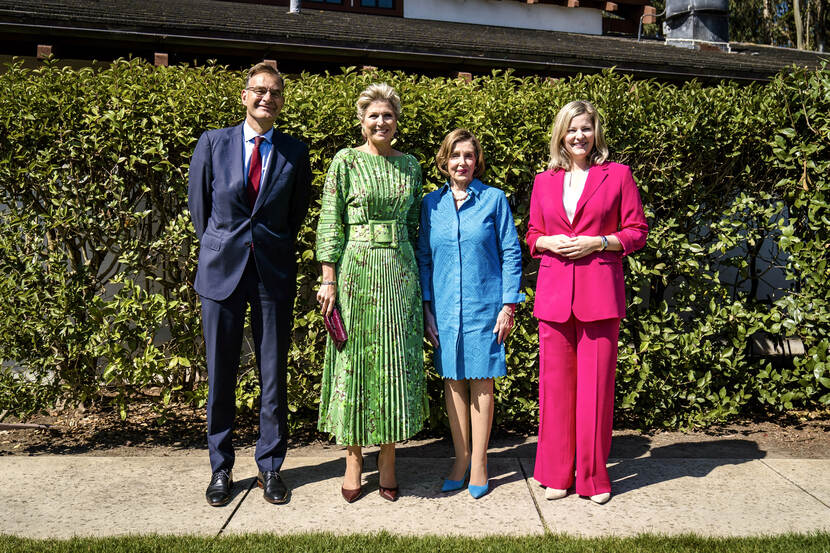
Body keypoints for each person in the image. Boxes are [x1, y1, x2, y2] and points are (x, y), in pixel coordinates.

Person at [188, 62, 311, 507]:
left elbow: (294, 215)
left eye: (275, 92)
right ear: (244, 96)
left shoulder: (296, 152)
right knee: (220, 374)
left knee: (273, 375)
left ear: (281, 101)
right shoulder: (213, 143)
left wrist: (266, 245)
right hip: (222, 274)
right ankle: (221, 468)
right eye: (259, 90)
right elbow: (201, 211)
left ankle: (271, 467)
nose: (267, 98)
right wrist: (225, 247)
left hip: (272, 273)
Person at [526, 100, 648, 505]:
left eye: (587, 128)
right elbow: (531, 235)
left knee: (596, 392)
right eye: (572, 129)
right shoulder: (544, 180)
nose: (579, 136)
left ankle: (594, 479)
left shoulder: (618, 176)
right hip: (554, 296)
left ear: (597, 133)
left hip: (599, 295)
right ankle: (556, 474)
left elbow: (636, 232)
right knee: (556, 391)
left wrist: (599, 241)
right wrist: (547, 241)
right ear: (561, 134)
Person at [315, 83, 427, 503]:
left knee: (394, 363)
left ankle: (390, 458)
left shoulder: (410, 166)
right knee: (355, 361)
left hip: (399, 272)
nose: (382, 122)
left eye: (389, 115)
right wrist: (328, 278)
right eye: (374, 116)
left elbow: (416, 226)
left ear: (397, 121)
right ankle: (353, 459)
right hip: (355, 272)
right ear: (362, 121)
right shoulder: (345, 162)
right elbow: (331, 220)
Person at [417, 129, 524, 499]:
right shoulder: (431, 204)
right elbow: (424, 259)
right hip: (445, 308)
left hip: (485, 307)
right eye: (454, 156)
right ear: (444, 161)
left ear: (476, 161)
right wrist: (427, 308)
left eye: (468, 156)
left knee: (481, 383)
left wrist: (509, 305)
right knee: (453, 383)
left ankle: (479, 462)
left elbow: (511, 252)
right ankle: (460, 458)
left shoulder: (494, 200)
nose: (462, 162)